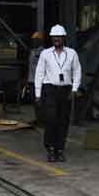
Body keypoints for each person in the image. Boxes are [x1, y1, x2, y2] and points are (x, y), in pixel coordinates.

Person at [34, 25, 81, 162]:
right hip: (50, 89)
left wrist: (74, 89)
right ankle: (50, 148)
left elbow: (77, 71)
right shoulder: (45, 54)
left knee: (63, 121)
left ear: (64, 38)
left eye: (59, 37)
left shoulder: (72, 53)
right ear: (51, 38)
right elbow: (39, 74)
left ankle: (60, 149)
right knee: (51, 119)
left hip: (65, 89)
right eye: (54, 37)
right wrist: (38, 94)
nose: (57, 39)